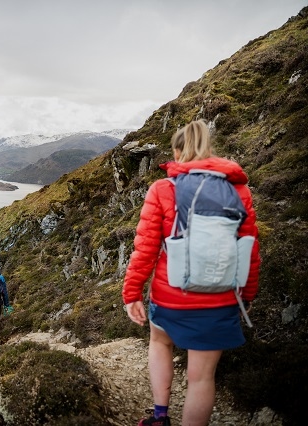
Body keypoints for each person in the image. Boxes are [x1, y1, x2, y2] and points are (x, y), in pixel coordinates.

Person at [122, 120, 260, 426]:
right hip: (221, 298)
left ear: (176, 151)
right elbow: (249, 249)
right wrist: (247, 293)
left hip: (171, 296)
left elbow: (144, 248)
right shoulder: (239, 190)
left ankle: (160, 417)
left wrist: (132, 293)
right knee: (202, 379)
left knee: (159, 343)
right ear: (209, 149)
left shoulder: (162, 189)